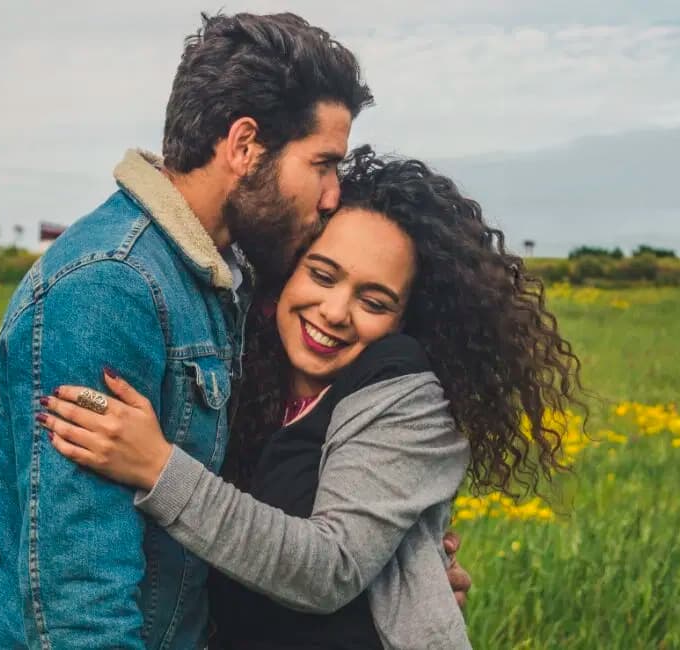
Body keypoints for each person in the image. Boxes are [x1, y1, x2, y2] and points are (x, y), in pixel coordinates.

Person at [0, 13, 467, 650]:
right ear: (246, 146)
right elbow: (77, 599)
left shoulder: (225, 279)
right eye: (323, 164)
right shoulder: (109, 289)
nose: (333, 194)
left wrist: (401, 574)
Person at [39, 148, 584, 649]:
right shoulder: (241, 371)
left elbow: (330, 568)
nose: (334, 311)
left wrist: (157, 467)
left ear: (405, 319)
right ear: (287, 270)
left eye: (373, 300)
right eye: (323, 275)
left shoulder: (409, 395)